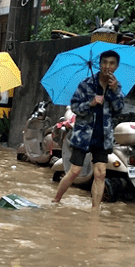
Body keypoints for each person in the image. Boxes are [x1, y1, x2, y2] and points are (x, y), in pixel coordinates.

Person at [52, 50, 125, 208]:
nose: (107, 66)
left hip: (103, 136)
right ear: (100, 64)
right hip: (84, 135)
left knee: (100, 174)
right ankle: (56, 200)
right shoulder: (86, 84)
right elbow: (75, 107)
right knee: (75, 172)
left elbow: (118, 110)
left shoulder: (117, 87)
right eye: (105, 62)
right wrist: (90, 103)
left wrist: (114, 92)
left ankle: (95, 211)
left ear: (117, 66)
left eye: (111, 63)